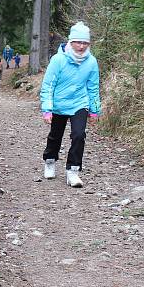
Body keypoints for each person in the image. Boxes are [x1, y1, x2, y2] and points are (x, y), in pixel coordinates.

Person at [39, 21, 100, 188]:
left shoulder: (92, 62)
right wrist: (47, 109)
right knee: (55, 135)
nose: (81, 46)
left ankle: (73, 170)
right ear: (70, 42)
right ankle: (50, 160)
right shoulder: (58, 60)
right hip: (58, 103)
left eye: (85, 43)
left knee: (79, 135)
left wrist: (94, 110)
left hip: (80, 103)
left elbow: (93, 87)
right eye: (78, 42)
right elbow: (48, 85)